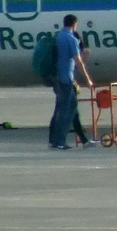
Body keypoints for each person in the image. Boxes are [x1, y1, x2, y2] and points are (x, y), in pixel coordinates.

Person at [48, 13, 93, 150]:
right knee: (66, 110)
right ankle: (59, 141)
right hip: (66, 78)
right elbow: (78, 62)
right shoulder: (71, 39)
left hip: (57, 76)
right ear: (74, 24)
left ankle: (55, 140)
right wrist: (88, 79)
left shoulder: (58, 36)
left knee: (68, 107)